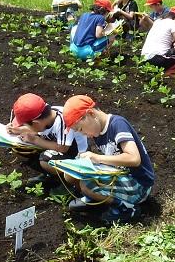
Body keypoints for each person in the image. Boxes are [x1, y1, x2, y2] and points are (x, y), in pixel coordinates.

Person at [62, 95, 155, 223]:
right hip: (121, 175)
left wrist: (97, 158)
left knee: (86, 184)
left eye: (81, 129)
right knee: (70, 175)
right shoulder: (97, 130)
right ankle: (96, 197)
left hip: (139, 184)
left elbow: (134, 159)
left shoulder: (117, 124)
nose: (84, 134)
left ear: (90, 114)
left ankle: (127, 208)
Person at [6, 92, 88, 185]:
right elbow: (38, 129)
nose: (25, 127)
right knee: (22, 148)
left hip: (75, 155)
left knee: (45, 159)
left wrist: (34, 140)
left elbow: (62, 148)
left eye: (25, 125)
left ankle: (67, 182)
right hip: (56, 147)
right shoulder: (45, 117)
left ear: (36, 122)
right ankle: (50, 174)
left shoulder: (63, 120)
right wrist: (17, 130)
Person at [140, 3, 175, 76]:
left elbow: (166, 39)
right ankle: (170, 72)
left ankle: (163, 70)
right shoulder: (172, 22)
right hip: (156, 60)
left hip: (143, 60)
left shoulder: (158, 21)